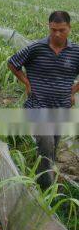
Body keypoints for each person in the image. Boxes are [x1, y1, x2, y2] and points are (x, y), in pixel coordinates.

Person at [8, 11, 79, 188]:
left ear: (69, 28)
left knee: (52, 145)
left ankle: (45, 171)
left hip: (61, 107)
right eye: (53, 29)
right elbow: (12, 63)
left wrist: (73, 91)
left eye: (61, 30)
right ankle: (45, 187)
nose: (57, 34)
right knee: (46, 141)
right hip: (37, 105)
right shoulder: (37, 47)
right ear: (49, 27)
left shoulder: (76, 51)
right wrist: (26, 82)